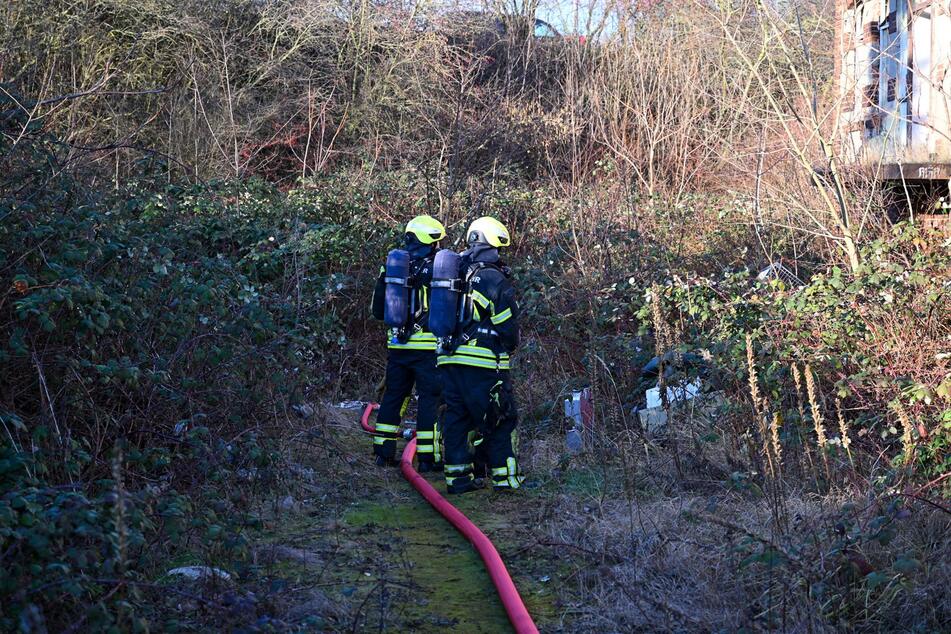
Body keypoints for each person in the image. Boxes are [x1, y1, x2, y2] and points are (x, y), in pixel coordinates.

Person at [438, 217, 524, 493]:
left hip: (448, 359)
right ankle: (506, 480)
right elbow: (506, 324)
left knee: (457, 418)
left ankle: (457, 480)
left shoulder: (457, 272)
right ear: (494, 244)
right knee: (500, 417)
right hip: (482, 362)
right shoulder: (491, 277)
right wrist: (510, 345)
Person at [370, 215, 446, 470]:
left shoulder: (392, 266)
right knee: (428, 400)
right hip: (427, 348)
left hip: (397, 346)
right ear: (431, 240)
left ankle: (383, 451)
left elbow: (378, 310)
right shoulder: (438, 266)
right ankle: (427, 458)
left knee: (394, 396)